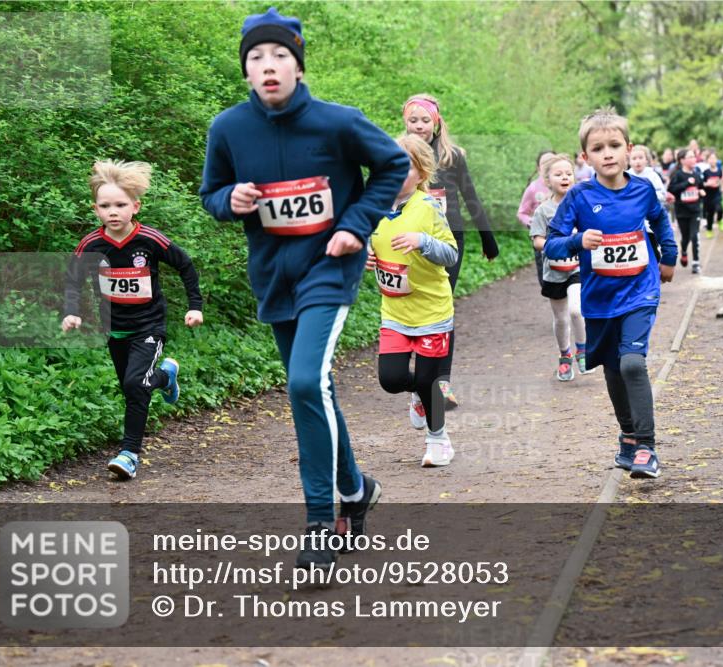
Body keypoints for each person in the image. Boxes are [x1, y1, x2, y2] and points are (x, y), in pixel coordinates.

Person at [199, 7, 410, 568]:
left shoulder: (337, 122)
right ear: (246, 70)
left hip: (329, 267)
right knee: (316, 387)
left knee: (302, 382)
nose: (268, 66)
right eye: (256, 57)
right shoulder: (228, 128)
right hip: (274, 274)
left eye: (280, 56)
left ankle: (321, 521)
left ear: (298, 66)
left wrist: (355, 224)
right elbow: (211, 193)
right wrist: (230, 200)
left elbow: (392, 165)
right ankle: (357, 489)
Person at [544, 107, 677, 479]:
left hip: (640, 289)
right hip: (600, 297)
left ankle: (647, 448)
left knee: (632, 362)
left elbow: (660, 220)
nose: (608, 154)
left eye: (615, 146)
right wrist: (577, 241)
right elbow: (551, 244)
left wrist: (669, 256)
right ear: (585, 157)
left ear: (628, 149)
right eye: (598, 148)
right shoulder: (579, 197)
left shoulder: (643, 189)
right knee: (613, 369)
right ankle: (629, 436)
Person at [63, 160, 203, 480]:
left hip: (148, 325)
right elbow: (73, 278)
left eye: (120, 205)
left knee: (134, 384)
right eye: (105, 206)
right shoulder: (91, 244)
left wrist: (195, 306)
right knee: (132, 389)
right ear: (96, 209)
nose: (113, 212)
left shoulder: (150, 239)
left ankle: (129, 454)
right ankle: (165, 378)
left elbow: (185, 265)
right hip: (115, 328)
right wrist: (72, 310)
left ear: (135, 207)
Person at [402, 93, 500, 411]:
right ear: (405, 121)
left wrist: (487, 238)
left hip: (449, 239)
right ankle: (417, 373)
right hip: (407, 239)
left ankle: (442, 382)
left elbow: (470, 195)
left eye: (425, 120)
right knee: (412, 304)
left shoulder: (451, 156)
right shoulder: (397, 153)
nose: (419, 126)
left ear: (436, 122)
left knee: (442, 307)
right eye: (413, 120)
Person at [368, 135, 458, 467]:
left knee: (427, 379)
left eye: (404, 166)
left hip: (432, 311)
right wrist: (365, 256)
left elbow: (451, 253)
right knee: (391, 379)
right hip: (395, 311)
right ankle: (419, 394)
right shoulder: (374, 206)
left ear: (421, 173)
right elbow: (369, 241)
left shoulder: (428, 207)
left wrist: (422, 241)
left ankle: (439, 440)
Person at [529, 154, 590, 380]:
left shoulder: (581, 206)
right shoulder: (543, 210)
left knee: (576, 310)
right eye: (558, 174)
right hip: (554, 271)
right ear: (547, 180)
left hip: (577, 268)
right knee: (561, 318)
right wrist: (559, 244)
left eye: (568, 173)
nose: (565, 177)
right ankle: (565, 356)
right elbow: (537, 241)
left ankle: (582, 350)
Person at [518, 150, 556, 286]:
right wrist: (532, 223)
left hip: (563, 235)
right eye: (545, 162)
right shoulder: (533, 188)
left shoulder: (566, 183)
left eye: (552, 161)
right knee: (546, 279)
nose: (549, 164)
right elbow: (522, 213)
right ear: (539, 168)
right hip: (542, 236)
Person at [667, 148, 706, 274]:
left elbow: (700, 187)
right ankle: (683, 251)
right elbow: (671, 189)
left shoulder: (696, 174)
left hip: (695, 211)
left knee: (695, 236)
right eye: (690, 157)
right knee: (685, 238)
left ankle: (695, 263)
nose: (693, 159)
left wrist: (701, 192)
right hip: (682, 211)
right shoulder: (678, 175)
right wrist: (686, 183)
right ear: (682, 160)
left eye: (694, 156)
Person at [701, 148, 723, 238]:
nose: (712, 160)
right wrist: (707, 184)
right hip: (708, 196)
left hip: (717, 194)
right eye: (710, 158)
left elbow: (721, 181)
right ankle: (709, 230)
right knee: (710, 214)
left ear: (717, 160)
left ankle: (720, 220)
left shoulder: (719, 171)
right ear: (707, 161)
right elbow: (701, 184)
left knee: (720, 209)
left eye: (714, 158)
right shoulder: (705, 172)